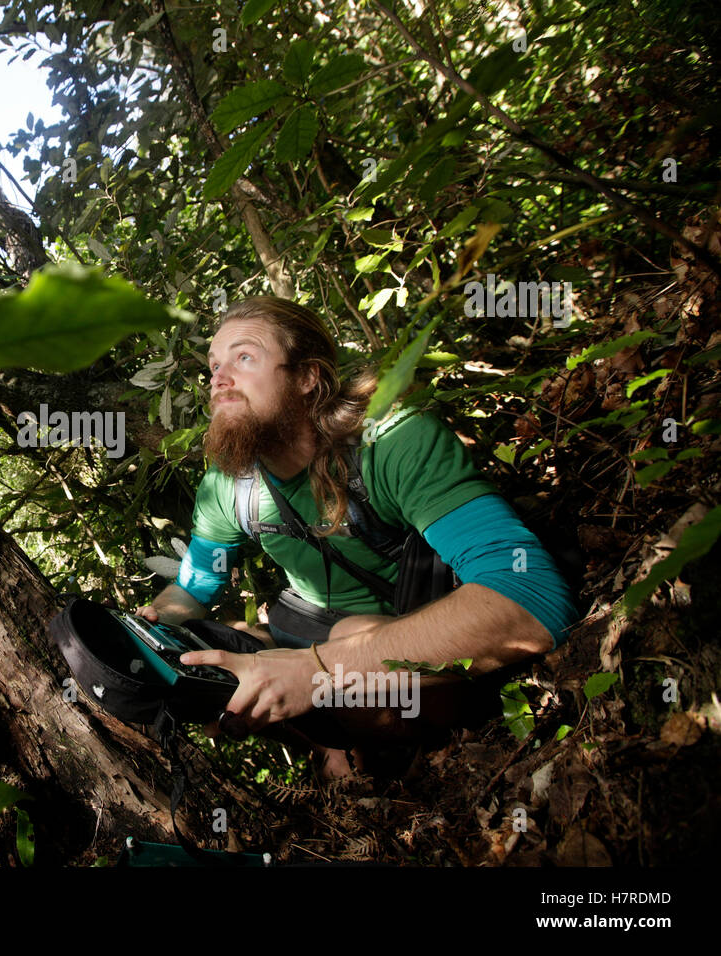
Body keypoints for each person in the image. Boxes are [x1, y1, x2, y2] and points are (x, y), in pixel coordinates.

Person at [136, 296, 580, 777]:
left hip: (420, 629)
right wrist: (152, 626)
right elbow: (194, 586)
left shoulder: (390, 442)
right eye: (214, 366)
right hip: (312, 625)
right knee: (221, 657)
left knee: (351, 654)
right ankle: (318, 710)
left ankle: (353, 732)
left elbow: (532, 599)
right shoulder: (228, 487)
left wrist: (317, 672)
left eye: (244, 358)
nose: (219, 379)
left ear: (307, 377)